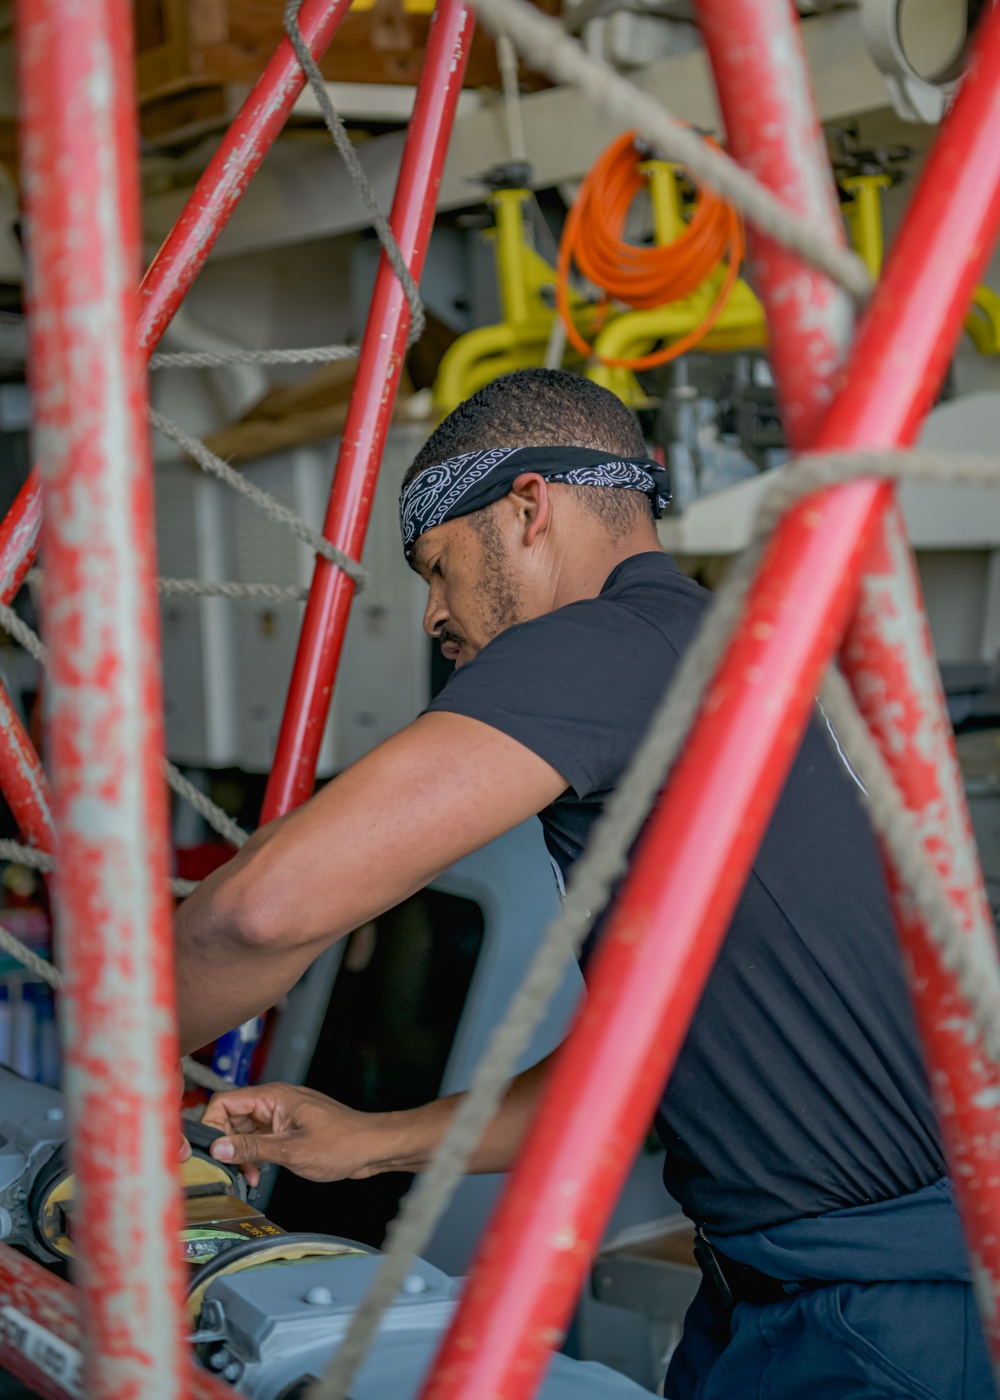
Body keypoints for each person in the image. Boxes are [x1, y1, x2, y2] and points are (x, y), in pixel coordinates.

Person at [176, 369, 991, 1399]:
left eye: (438, 566)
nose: (435, 613)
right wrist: (369, 1143)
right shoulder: (710, 645)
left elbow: (257, 911)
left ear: (527, 509)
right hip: (794, 1291)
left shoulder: (611, 643)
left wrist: (96, 1080)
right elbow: (642, 1066)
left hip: (881, 1308)